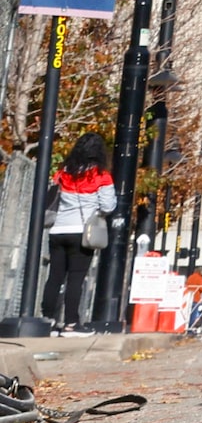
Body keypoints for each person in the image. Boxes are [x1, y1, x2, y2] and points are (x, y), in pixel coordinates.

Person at [42, 131, 114, 333]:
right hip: (82, 233)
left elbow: (52, 194)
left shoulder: (63, 172)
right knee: (76, 278)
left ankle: (48, 319)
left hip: (57, 231)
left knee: (54, 276)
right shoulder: (101, 176)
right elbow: (108, 206)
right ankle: (72, 323)